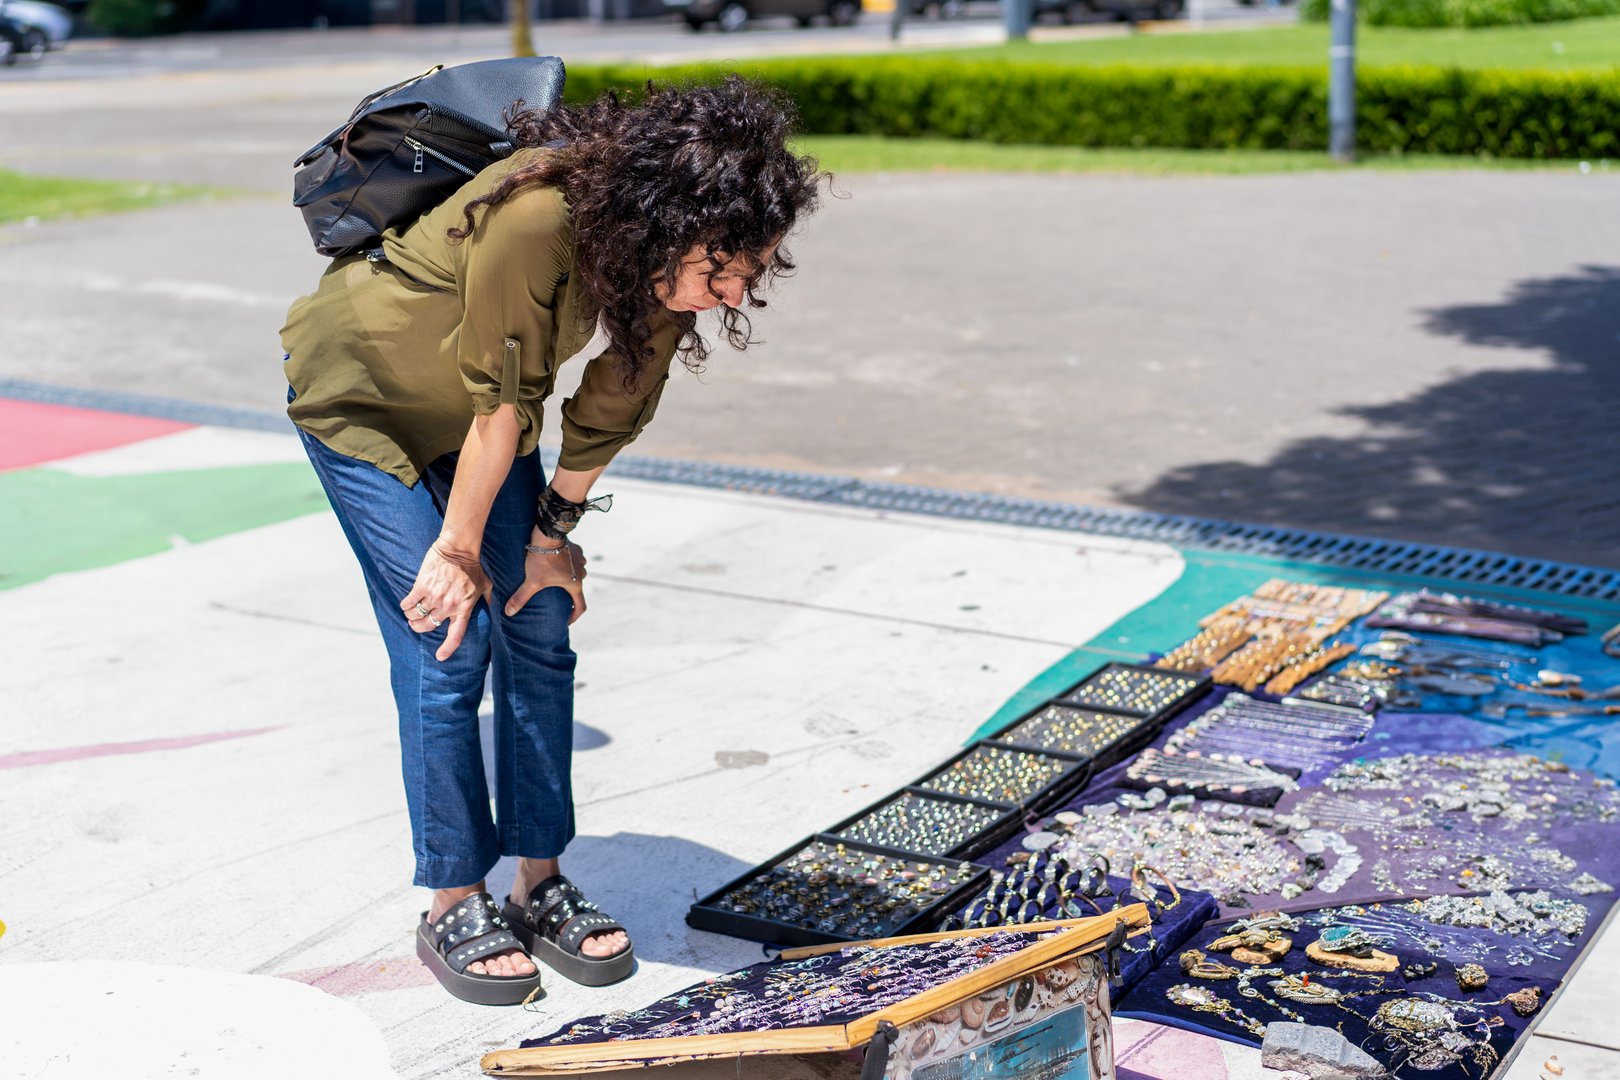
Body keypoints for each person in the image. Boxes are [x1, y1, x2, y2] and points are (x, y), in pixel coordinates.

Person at [279, 76, 822, 1005]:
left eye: (749, 272)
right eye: (723, 267)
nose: (732, 292)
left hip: (480, 423)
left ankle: (539, 878)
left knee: (541, 620)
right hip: (364, 401)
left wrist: (551, 535)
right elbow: (505, 402)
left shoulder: (652, 249)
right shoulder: (536, 214)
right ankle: (453, 894)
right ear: (674, 215)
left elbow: (618, 394)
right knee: (450, 637)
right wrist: (456, 553)